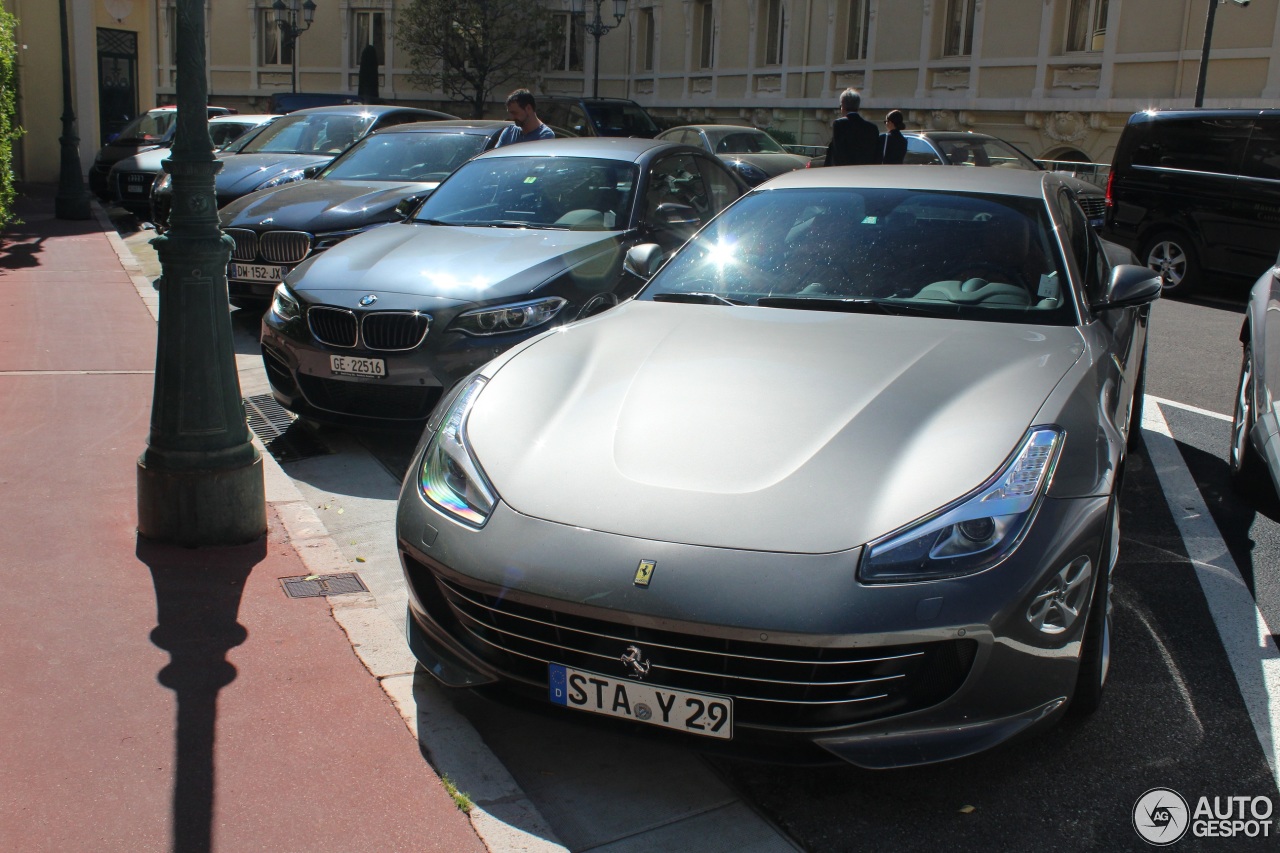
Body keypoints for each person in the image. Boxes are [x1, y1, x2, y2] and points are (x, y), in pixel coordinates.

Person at [823, 88, 880, 167]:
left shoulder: (839, 124)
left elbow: (838, 152)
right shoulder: (872, 128)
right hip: (866, 173)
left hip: (845, 173)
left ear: (842, 106)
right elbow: (876, 155)